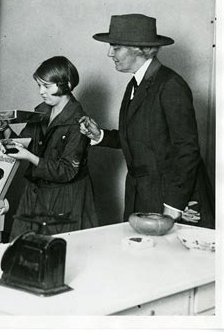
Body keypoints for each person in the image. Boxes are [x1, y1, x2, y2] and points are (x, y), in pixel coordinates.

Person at [79, 13, 214, 228]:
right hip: (141, 195)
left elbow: (187, 149)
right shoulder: (135, 85)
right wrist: (100, 136)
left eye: (116, 47)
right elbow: (144, 140)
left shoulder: (171, 85)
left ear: (140, 49)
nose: (109, 53)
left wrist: (174, 205)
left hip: (171, 199)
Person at [0, 56, 98, 240]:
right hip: (35, 192)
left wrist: (29, 157)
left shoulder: (79, 121)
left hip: (64, 197)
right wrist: (6, 130)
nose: (41, 91)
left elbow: (66, 171)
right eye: (39, 85)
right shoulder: (42, 110)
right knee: (21, 250)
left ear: (65, 84)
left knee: (55, 254)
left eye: (47, 86)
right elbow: (25, 143)